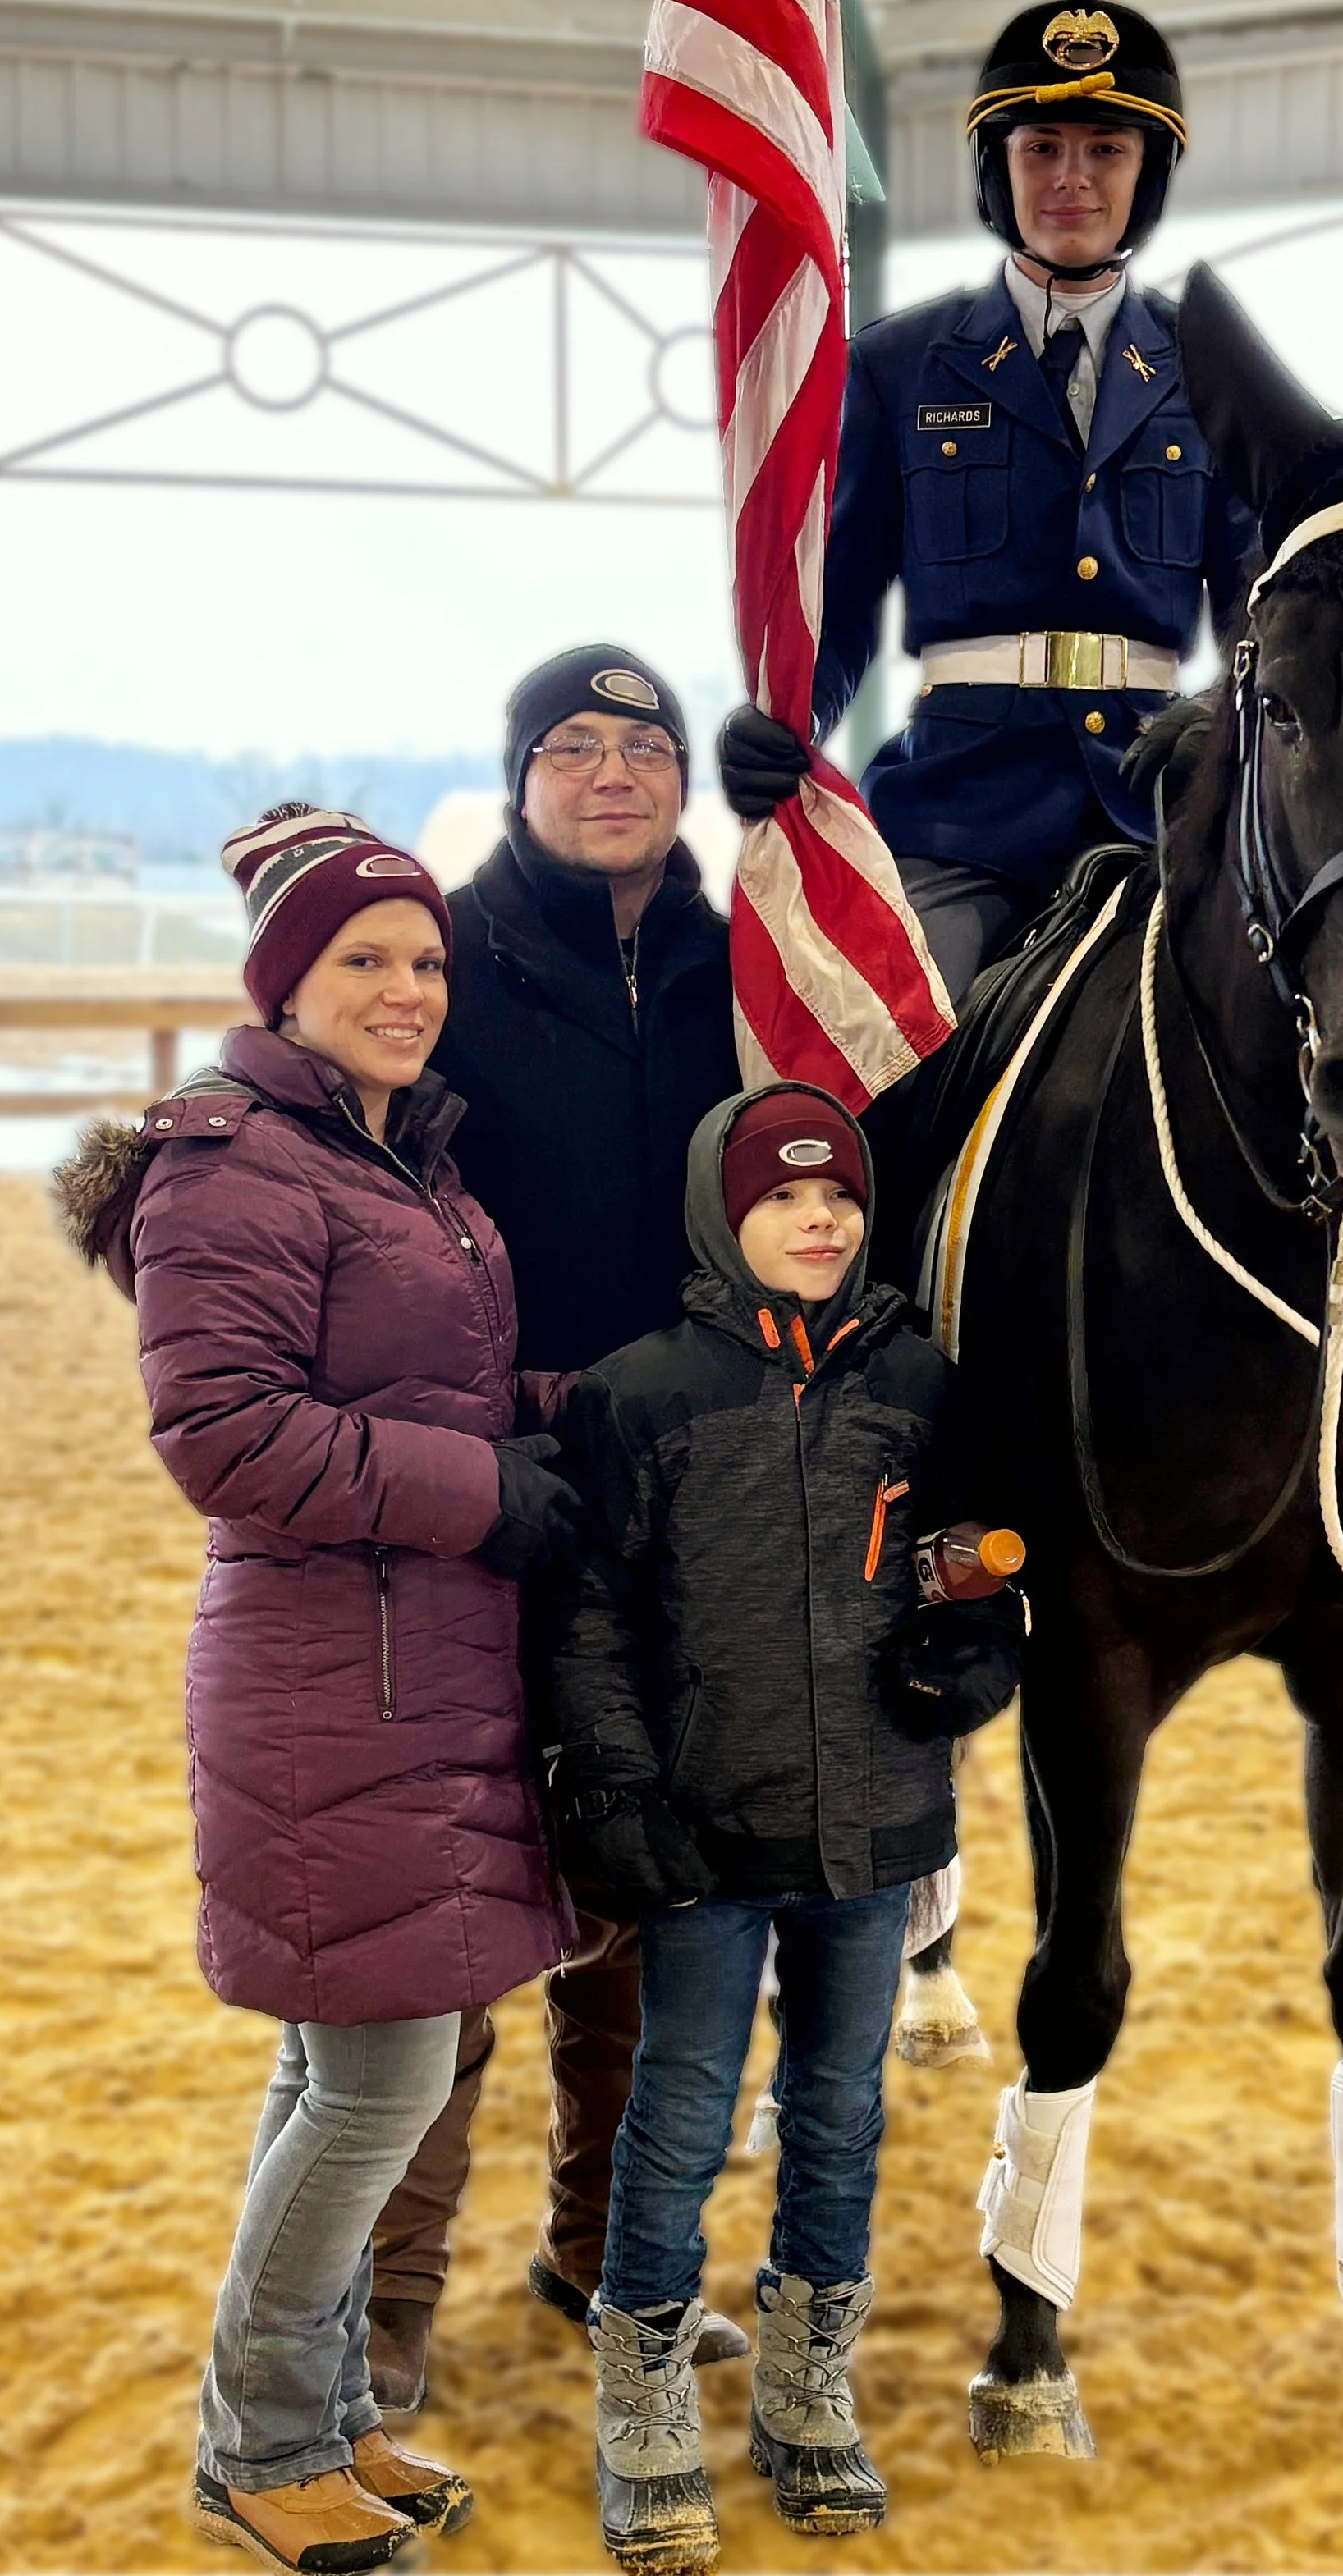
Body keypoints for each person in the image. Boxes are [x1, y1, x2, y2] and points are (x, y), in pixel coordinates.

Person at [56, 802, 584, 2573]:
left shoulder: (395, 1162)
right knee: (374, 2085)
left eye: (426, 959)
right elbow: (219, 1435)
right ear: (285, 981)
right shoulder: (232, 1167)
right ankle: (258, 2442)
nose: (409, 986)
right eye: (365, 957)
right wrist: (481, 1492)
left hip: (413, 1658)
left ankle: (325, 2418)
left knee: (345, 2067)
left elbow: (432, 1385)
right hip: (325, 1673)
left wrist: (568, 1421)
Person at [551, 1086, 1023, 2569]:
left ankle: (811, 2384)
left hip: (877, 1829)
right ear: (723, 1212)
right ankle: (641, 2400)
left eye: (840, 1200)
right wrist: (619, 1793)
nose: (821, 1220)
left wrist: (973, 1652)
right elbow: (587, 1619)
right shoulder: (640, 1395)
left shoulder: (924, 1386)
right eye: (784, 1198)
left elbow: (977, 1582)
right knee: (681, 2111)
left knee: (840, 2112)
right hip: (707, 1837)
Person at [366, 645, 749, 2411]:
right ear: (518, 775)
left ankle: (598, 2248)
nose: (614, 774)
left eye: (645, 747)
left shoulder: (739, 964)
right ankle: (379, 2314)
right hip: (494, 1470)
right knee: (457, 1898)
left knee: (649, 1880)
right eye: (573, 749)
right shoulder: (446, 954)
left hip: (690, 1474)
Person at [719, 0, 1257, 1003]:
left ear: (1146, 177)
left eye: (1105, 150)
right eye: (1039, 147)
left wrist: (1226, 730)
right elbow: (836, 596)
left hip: (1159, 807)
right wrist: (785, 725)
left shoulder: (1212, 368)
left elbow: (1254, 609)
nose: (1070, 179)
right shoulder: (895, 366)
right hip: (960, 812)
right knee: (895, 1052)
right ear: (996, 169)